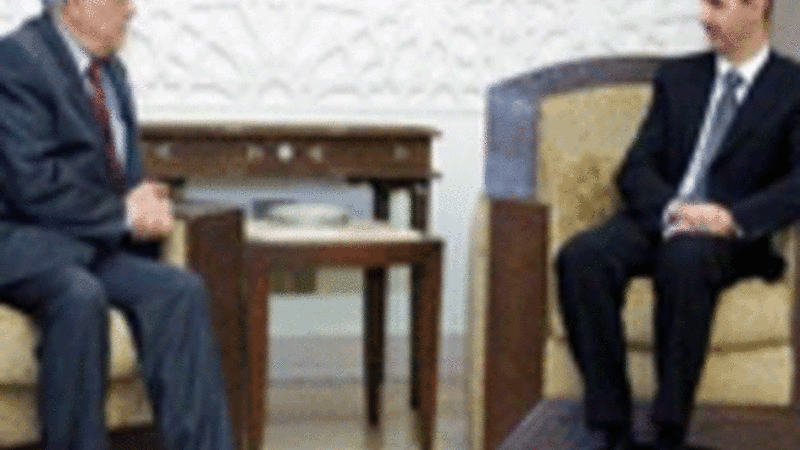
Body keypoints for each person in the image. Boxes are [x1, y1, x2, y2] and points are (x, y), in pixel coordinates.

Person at [555, 0, 799, 449]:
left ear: (758, 6)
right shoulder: (678, 78)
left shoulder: (792, 87)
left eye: (718, 4)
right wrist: (673, 209)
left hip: (728, 236)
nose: (704, 16)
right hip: (662, 216)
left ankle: (669, 431)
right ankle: (613, 429)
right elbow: (636, 167)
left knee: (685, 257)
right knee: (581, 257)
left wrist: (732, 218)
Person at [0, 1, 235, 449]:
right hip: (20, 243)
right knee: (78, 294)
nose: (131, 9)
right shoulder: (16, 60)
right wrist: (125, 214)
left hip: (87, 242)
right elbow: (30, 183)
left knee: (179, 291)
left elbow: (112, 169)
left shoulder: (110, 71)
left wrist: (143, 199)